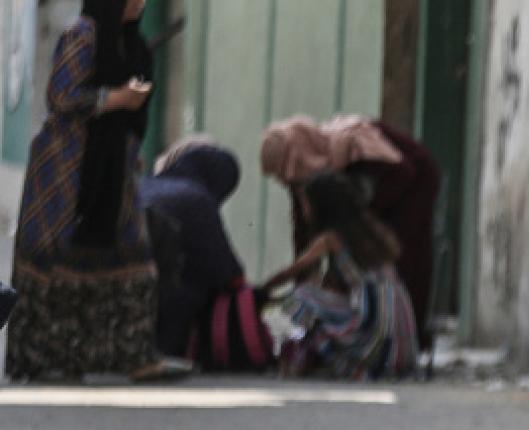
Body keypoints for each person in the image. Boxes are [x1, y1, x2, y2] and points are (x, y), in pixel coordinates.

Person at [5, 0, 190, 382]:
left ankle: (133, 356)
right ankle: (50, 361)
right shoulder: (82, 35)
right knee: (54, 259)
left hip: (113, 170)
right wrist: (116, 98)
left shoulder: (128, 42)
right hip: (65, 173)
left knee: (132, 258)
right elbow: (61, 97)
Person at [260, 115, 441, 351]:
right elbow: (303, 232)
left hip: (413, 179)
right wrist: (302, 284)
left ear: (296, 157)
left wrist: (359, 220)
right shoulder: (303, 174)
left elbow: (403, 173)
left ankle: (408, 336)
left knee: (403, 258)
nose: (287, 181)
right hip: (370, 202)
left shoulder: (352, 145)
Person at [259, 172, 419, 380]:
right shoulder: (368, 230)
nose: (304, 210)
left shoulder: (330, 238)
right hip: (397, 321)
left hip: (372, 322)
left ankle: (309, 357)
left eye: (306, 203)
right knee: (317, 295)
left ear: (321, 206)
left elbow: (294, 271)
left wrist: (260, 291)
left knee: (302, 297)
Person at [140, 143, 245, 357]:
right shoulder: (197, 198)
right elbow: (225, 268)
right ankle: (167, 352)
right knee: (196, 285)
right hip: (161, 293)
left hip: (117, 274)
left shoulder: (144, 184)